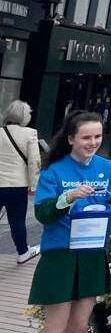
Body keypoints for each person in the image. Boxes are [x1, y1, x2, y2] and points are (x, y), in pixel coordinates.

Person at [30, 112, 111, 333]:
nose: (93, 142)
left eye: (98, 136)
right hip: (60, 253)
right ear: (71, 139)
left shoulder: (107, 168)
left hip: (92, 253)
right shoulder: (54, 170)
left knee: (79, 328)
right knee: (55, 329)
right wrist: (68, 197)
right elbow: (43, 214)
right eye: (86, 137)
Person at [0, 100, 42, 264]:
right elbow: (34, 162)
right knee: (17, 220)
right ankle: (23, 252)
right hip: (17, 185)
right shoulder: (30, 134)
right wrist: (33, 185)